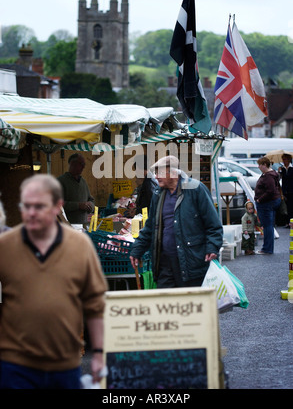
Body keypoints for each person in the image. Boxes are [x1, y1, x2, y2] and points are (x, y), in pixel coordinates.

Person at [0, 174, 108, 389]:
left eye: (39, 206)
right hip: (16, 364)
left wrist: (98, 354)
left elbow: (95, 305)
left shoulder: (79, 246)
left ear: (58, 206)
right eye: (26, 206)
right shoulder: (7, 245)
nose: (31, 213)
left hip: (65, 363)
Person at [129, 155, 223, 288]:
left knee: (190, 305)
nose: (156, 177)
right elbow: (150, 227)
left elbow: (213, 224)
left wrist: (212, 247)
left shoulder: (195, 189)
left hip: (191, 262)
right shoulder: (158, 194)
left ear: (173, 173)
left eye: (160, 172)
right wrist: (137, 250)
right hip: (164, 264)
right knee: (166, 304)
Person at [254, 156, 281, 255]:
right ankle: (268, 248)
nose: (258, 167)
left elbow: (270, 191)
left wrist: (260, 199)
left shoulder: (268, 176)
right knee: (269, 225)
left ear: (265, 165)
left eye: (260, 165)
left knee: (267, 226)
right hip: (272, 202)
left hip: (267, 203)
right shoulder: (271, 174)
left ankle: (267, 249)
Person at [58, 153, 95, 225]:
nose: (83, 167)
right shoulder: (60, 181)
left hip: (83, 225)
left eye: (84, 164)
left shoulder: (83, 182)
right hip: (67, 226)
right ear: (72, 164)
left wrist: (90, 205)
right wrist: (78, 205)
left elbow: (91, 200)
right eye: (81, 164)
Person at [278, 153, 293, 226]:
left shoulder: (291, 168)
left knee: (291, 206)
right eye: (283, 159)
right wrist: (279, 172)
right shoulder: (282, 169)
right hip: (284, 190)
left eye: (285, 159)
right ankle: (287, 221)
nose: (284, 161)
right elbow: (279, 179)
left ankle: (291, 221)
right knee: (285, 206)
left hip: (291, 189)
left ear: (289, 160)